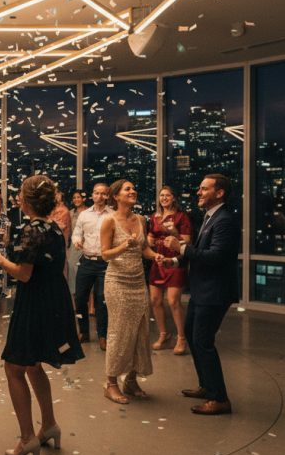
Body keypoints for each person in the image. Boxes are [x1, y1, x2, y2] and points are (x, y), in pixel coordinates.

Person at [0, 175, 84, 455]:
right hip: (53, 300)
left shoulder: (30, 230)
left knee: (14, 368)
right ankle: (50, 425)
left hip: (34, 303)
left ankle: (27, 437)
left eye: (20, 194)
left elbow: (24, 273)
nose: (17, 198)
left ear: (27, 201)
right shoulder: (54, 228)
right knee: (33, 366)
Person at [163, 174, 240, 416]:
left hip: (214, 292)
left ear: (219, 193)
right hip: (201, 290)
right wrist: (174, 260)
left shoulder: (225, 220)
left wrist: (181, 246)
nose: (198, 192)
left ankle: (220, 398)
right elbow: (199, 252)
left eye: (204, 189)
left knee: (203, 343)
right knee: (191, 335)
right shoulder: (210, 217)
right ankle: (207, 386)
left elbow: (215, 257)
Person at [100, 180, 162, 404]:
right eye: (127, 189)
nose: (133, 191)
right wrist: (124, 246)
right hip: (117, 282)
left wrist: (155, 255)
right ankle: (111, 383)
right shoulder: (109, 221)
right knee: (119, 332)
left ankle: (132, 380)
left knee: (140, 331)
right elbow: (105, 254)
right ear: (116, 196)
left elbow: (143, 248)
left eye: (134, 188)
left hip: (138, 282)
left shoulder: (141, 220)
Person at [147, 186, 192, 355]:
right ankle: (164, 335)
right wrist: (150, 240)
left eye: (168, 195)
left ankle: (181, 338)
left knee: (173, 301)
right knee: (155, 300)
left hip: (174, 261)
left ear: (174, 198)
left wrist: (174, 232)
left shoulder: (182, 217)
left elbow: (186, 243)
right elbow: (150, 236)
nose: (164, 198)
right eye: (161, 195)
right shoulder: (154, 217)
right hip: (158, 259)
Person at [71, 183, 111, 348]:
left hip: (105, 263)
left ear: (107, 196)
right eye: (96, 193)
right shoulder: (84, 215)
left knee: (102, 300)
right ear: (92, 195)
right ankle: (84, 332)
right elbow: (76, 233)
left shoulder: (112, 215)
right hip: (86, 261)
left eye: (103, 194)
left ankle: (102, 336)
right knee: (80, 298)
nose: (99, 196)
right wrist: (77, 240)